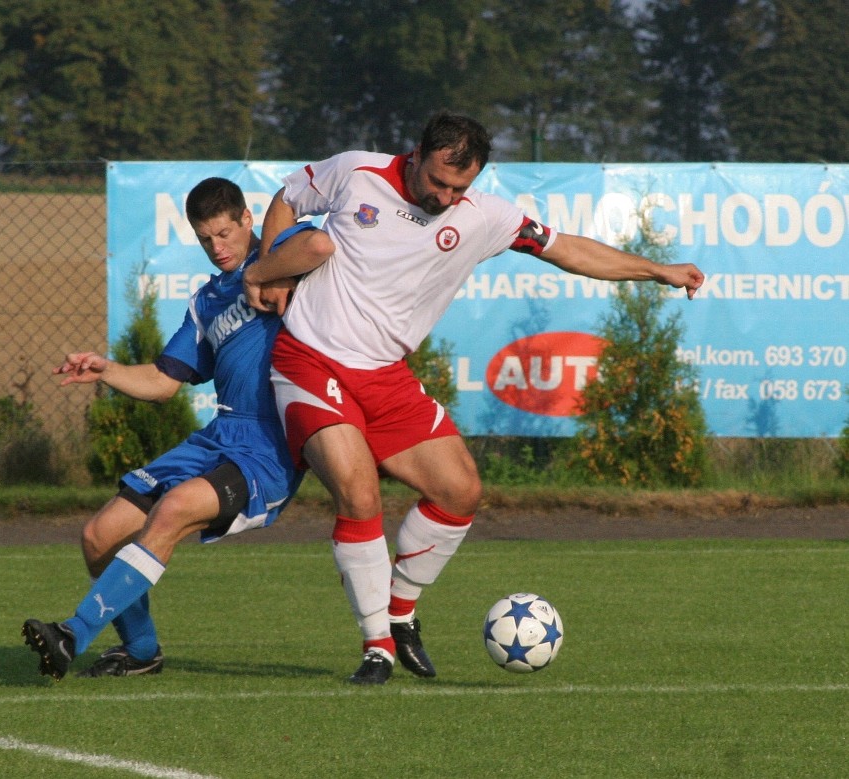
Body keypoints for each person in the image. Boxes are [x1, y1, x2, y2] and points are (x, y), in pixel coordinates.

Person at [243, 110, 705, 685]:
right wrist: (269, 269)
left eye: (460, 187)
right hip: (311, 360)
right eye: (439, 181)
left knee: (460, 490)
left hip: (386, 375)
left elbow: (569, 250)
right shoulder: (354, 172)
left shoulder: (484, 217)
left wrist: (655, 270)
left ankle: (403, 612)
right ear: (416, 154)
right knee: (359, 493)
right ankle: (377, 646)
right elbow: (287, 199)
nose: (446, 195)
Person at [22, 177, 315, 681]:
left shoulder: (281, 254)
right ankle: (141, 651)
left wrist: (271, 269)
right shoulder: (205, 303)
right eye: (205, 239)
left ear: (249, 220)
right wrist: (106, 370)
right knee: (99, 535)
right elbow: (163, 382)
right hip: (219, 435)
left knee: (174, 509)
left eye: (225, 233)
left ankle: (73, 633)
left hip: (270, 446)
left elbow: (317, 244)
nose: (217, 248)